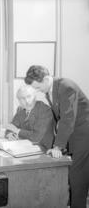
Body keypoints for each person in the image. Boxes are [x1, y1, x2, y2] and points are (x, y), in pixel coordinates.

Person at [25, 65, 89, 208]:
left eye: (38, 87)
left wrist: (58, 146)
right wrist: (46, 142)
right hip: (73, 133)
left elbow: (67, 118)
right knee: (72, 175)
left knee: (77, 177)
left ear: (46, 79)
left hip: (84, 134)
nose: (37, 91)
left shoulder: (67, 87)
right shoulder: (50, 90)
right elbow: (57, 119)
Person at [5, 85, 54, 150]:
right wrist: (9, 134)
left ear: (35, 97)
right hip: (24, 146)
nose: (27, 101)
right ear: (19, 100)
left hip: (42, 148)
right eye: (22, 98)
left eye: (29, 96)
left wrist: (17, 131)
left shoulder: (44, 110)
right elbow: (11, 126)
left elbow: (36, 137)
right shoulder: (21, 109)